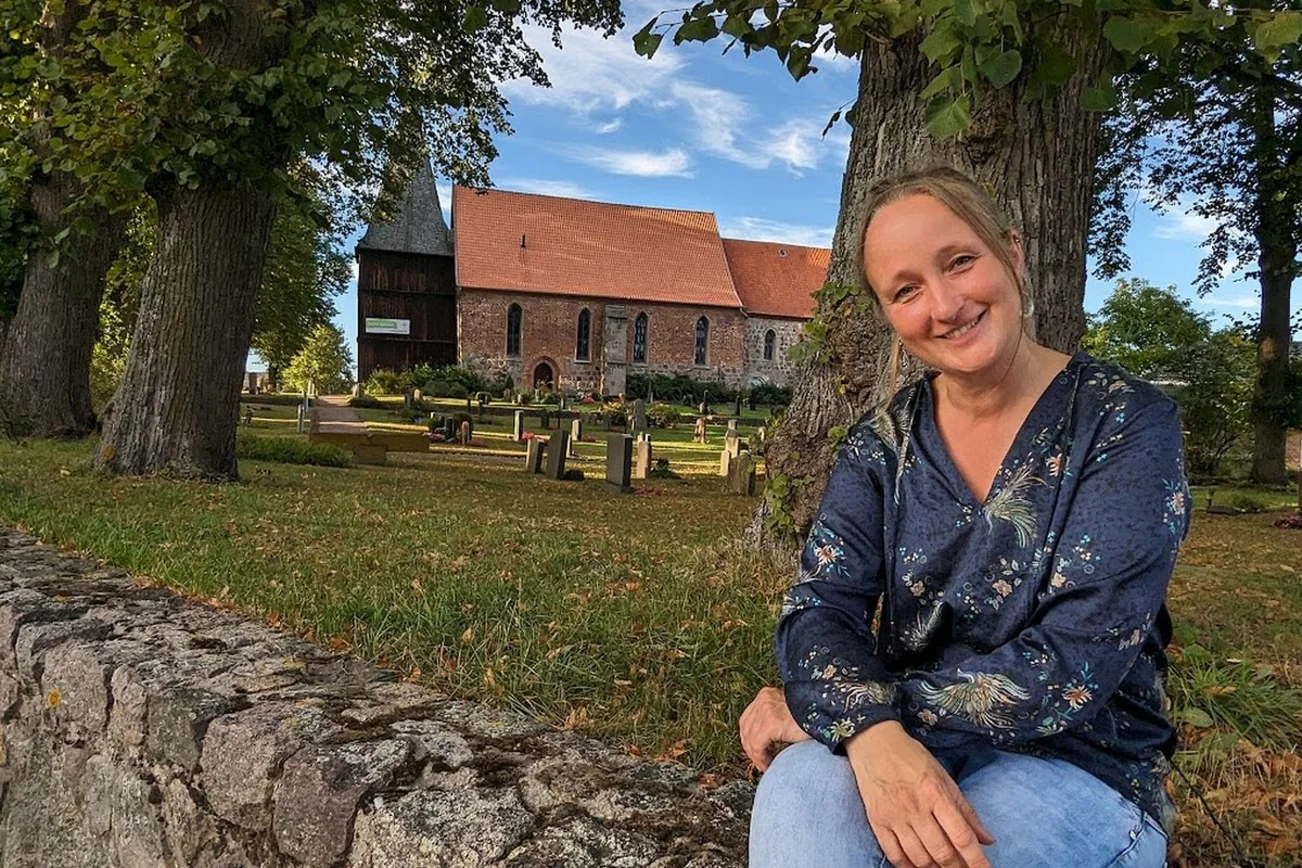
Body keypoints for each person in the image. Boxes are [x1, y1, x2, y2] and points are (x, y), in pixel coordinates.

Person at [742, 166, 1188, 868]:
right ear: (888, 315)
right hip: (898, 740)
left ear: (1011, 253)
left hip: (1074, 764)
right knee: (800, 789)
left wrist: (849, 710)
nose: (944, 305)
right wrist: (869, 733)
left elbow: (1070, 666)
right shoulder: (880, 445)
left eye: (959, 262)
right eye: (907, 289)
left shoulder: (1123, 424)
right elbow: (820, 608)